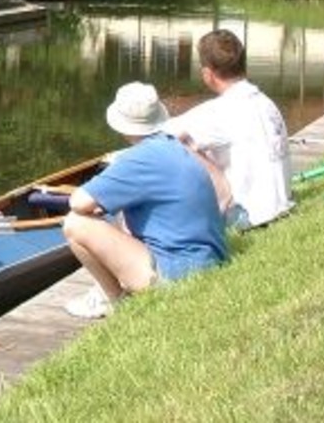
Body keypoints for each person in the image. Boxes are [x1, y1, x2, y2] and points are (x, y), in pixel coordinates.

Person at [62, 82, 228, 319]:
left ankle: (113, 301)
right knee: (119, 212)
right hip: (211, 260)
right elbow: (224, 190)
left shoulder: (139, 159)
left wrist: (100, 205)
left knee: (76, 223)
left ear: (122, 126)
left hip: (178, 274)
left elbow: (78, 202)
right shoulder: (176, 146)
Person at [163, 29, 294, 230]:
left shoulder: (222, 110)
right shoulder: (265, 103)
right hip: (280, 207)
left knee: (178, 146)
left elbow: (162, 137)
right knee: (194, 145)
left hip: (250, 216)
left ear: (208, 74)